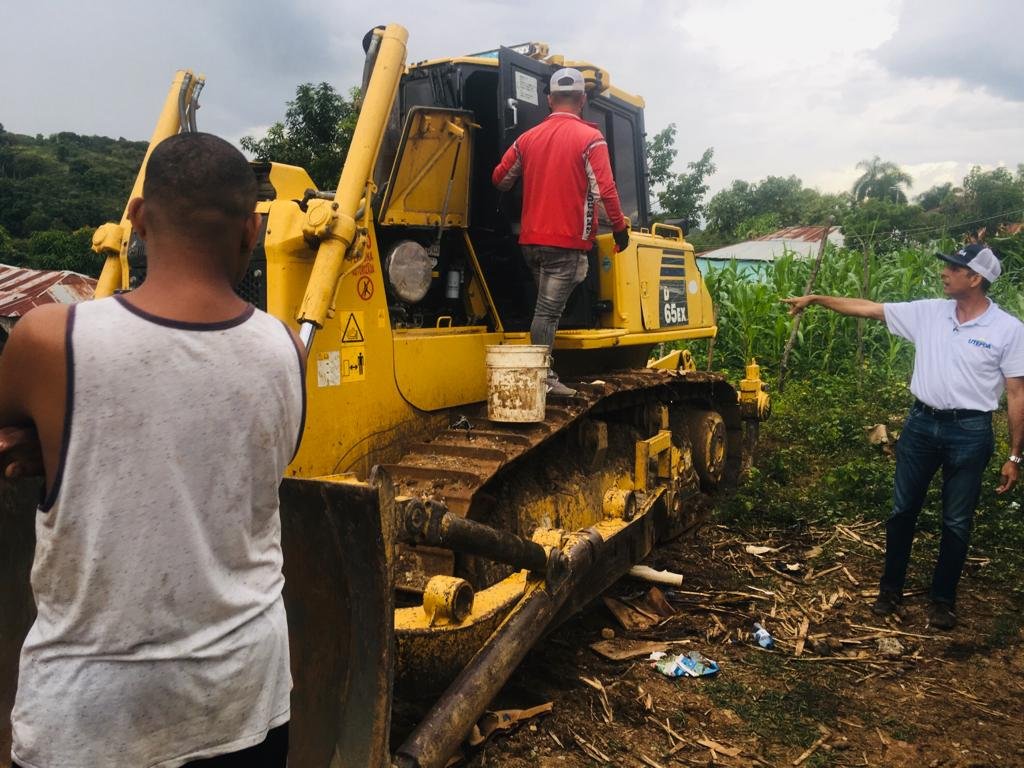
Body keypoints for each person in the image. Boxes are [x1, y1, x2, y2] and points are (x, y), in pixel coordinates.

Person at [0, 133, 305, 767]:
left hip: (90, 716)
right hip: (244, 699)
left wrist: (48, 444)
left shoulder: (51, 340)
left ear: (137, 219)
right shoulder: (287, 350)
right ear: (253, 230)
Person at [783, 243, 1024, 630]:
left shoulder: (1008, 330)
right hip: (921, 426)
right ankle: (890, 590)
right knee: (902, 512)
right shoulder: (929, 312)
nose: (944, 272)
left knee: (956, 521)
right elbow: (868, 308)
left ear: (975, 278)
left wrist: (1014, 456)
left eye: (954, 268)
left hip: (970, 432)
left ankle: (942, 601)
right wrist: (817, 299)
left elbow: (1016, 393)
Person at [492, 67, 630, 397]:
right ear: (581, 100)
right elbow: (605, 190)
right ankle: (543, 378)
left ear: (550, 100)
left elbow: (500, 179)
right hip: (565, 243)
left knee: (550, 302)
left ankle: (545, 364)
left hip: (531, 243)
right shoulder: (590, 139)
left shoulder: (526, 139)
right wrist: (620, 228)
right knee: (547, 311)